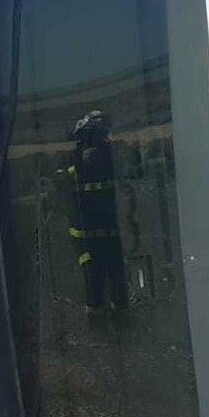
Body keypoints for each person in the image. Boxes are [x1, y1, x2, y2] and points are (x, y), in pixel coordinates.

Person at [66, 111, 127, 316]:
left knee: (108, 283)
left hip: (103, 235)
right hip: (96, 235)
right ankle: (102, 320)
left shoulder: (106, 156)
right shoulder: (81, 159)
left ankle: (112, 319)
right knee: (98, 283)